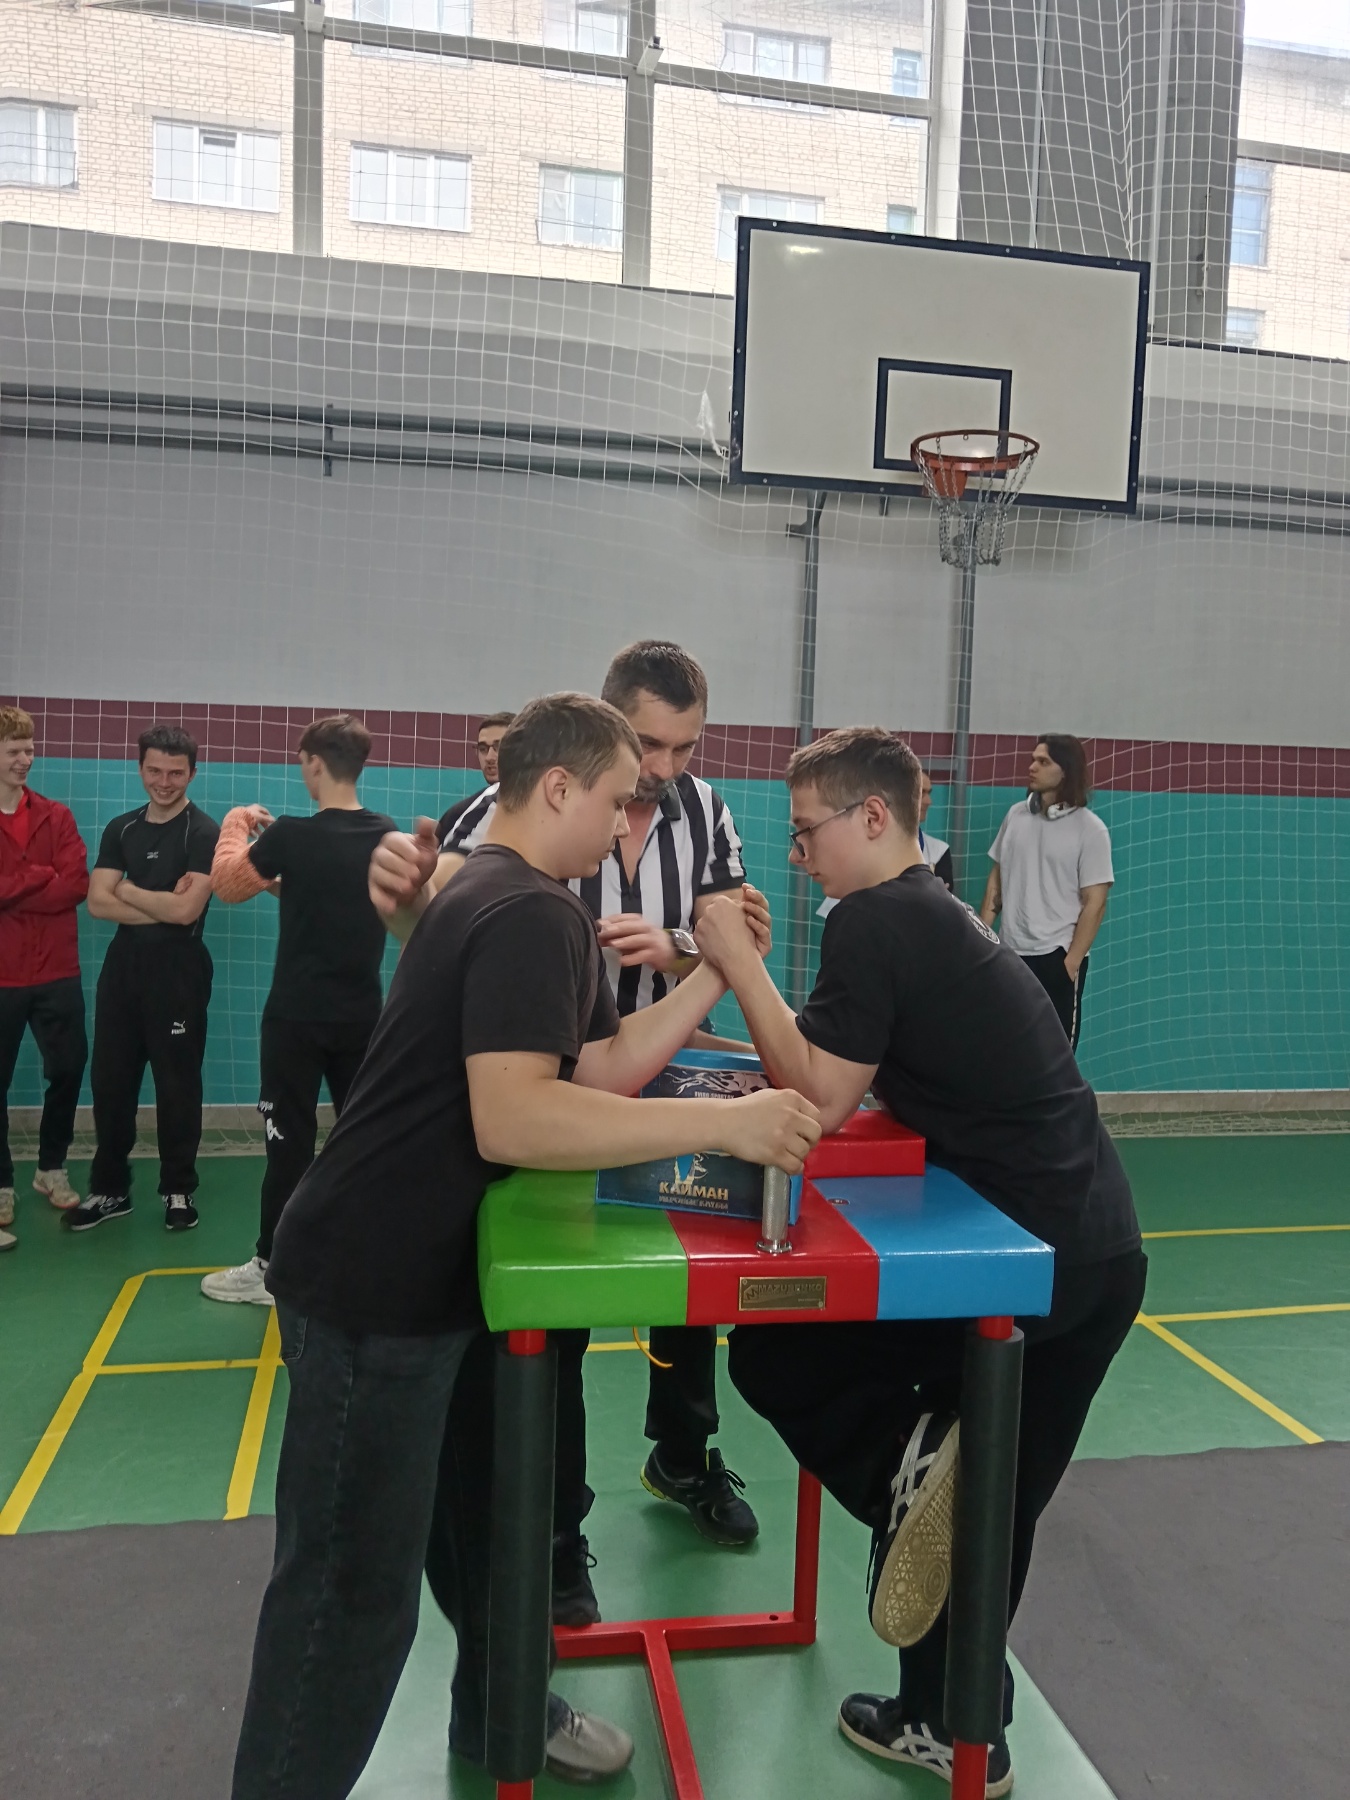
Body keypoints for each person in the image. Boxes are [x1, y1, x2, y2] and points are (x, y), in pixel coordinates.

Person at [231, 692, 820, 1799]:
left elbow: (600, 1066)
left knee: (486, 1537)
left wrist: (717, 965)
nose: (624, 825)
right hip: (372, 1290)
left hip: (448, 1285)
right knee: (348, 1599)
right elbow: (517, 1118)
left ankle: (504, 1714)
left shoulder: (521, 898)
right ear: (558, 788)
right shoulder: (526, 910)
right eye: (614, 800)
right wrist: (726, 1125)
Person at [693, 726, 1144, 1796]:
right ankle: (951, 1725)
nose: (798, 855)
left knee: (776, 1354)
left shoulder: (875, 918)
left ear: (872, 817)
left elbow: (817, 1094)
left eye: (807, 833)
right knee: (985, 1506)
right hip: (1096, 1252)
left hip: (1024, 1266)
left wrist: (735, 962)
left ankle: (904, 1468)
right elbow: (833, 1060)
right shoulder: (933, 911)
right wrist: (707, 1010)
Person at [393, 642, 759, 1627]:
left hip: (637, 1066)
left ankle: (682, 1454)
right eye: (645, 750)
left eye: (685, 749)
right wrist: (403, 895)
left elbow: (721, 937)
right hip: (541, 1103)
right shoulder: (515, 861)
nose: (664, 772)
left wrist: (682, 948)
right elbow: (442, 924)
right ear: (572, 775)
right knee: (551, 1323)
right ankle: (556, 1535)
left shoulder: (703, 815)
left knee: (692, 1280)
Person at [202, 715, 397, 1306]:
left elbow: (226, 883)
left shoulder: (290, 833)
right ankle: (371, 1261)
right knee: (364, 1142)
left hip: (297, 1019)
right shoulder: (384, 834)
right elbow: (335, 892)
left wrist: (237, 822)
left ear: (313, 763)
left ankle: (272, 1267)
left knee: (288, 1145)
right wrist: (277, 879)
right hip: (362, 1017)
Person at [67, 725, 219, 1233]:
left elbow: (185, 912)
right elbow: (96, 902)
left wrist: (129, 890)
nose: (164, 782)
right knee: (111, 1082)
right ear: (140, 769)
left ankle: (178, 1189)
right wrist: (162, 903)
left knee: (177, 1084)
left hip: (180, 972)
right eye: (155, 771)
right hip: (123, 970)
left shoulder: (203, 832)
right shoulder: (122, 829)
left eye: (175, 773)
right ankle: (110, 1190)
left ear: (192, 773)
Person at [0, 706, 89, 1249]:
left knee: (70, 1067)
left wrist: (14, 887)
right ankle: (1, 1181)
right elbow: (50, 881)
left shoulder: (57, 816)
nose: (25, 759)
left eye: (29, 749)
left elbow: (75, 885)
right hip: (3, 974)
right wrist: (38, 876)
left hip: (57, 968)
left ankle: (50, 1166)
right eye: (14, 750)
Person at [980, 735, 1113, 1050]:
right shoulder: (1015, 816)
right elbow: (997, 882)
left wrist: (1069, 965)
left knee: (1055, 1056)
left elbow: (1095, 904)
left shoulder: (1090, 829)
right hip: (1010, 954)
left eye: (1043, 761)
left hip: (1056, 957)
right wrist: (983, 937)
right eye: (1033, 759)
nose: (1032, 767)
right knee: (1006, 1049)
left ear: (1065, 771)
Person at [435, 710, 514, 846]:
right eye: (483, 749)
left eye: (499, 747)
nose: (489, 757)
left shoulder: (538, 810)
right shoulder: (459, 814)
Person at [918, 769, 953, 890]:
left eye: (929, 793)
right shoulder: (875, 846)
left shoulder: (938, 851)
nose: (929, 801)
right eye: (921, 793)